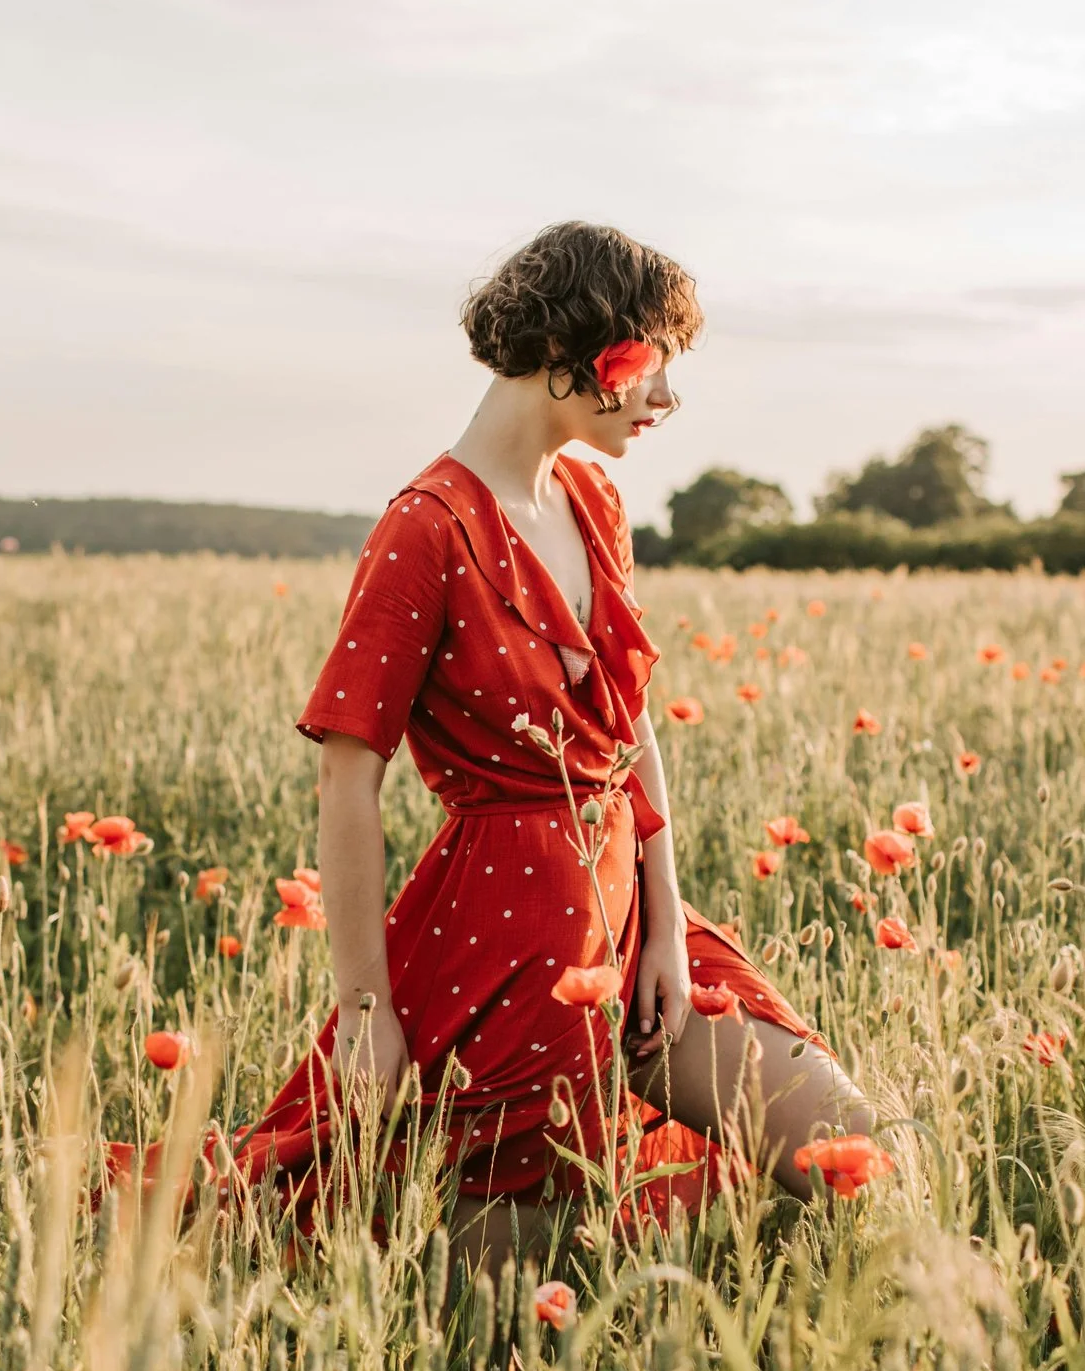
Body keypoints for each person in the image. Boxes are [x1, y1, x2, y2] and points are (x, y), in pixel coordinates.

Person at [225, 221, 874, 1280]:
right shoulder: (424, 527)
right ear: (583, 351)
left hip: (632, 910)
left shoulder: (592, 497)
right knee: (519, 1291)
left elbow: (633, 723)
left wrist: (666, 920)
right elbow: (347, 775)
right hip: (505, 940)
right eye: (653, 367)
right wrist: (363, 1010)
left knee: (848, 1145)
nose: (664, 403)